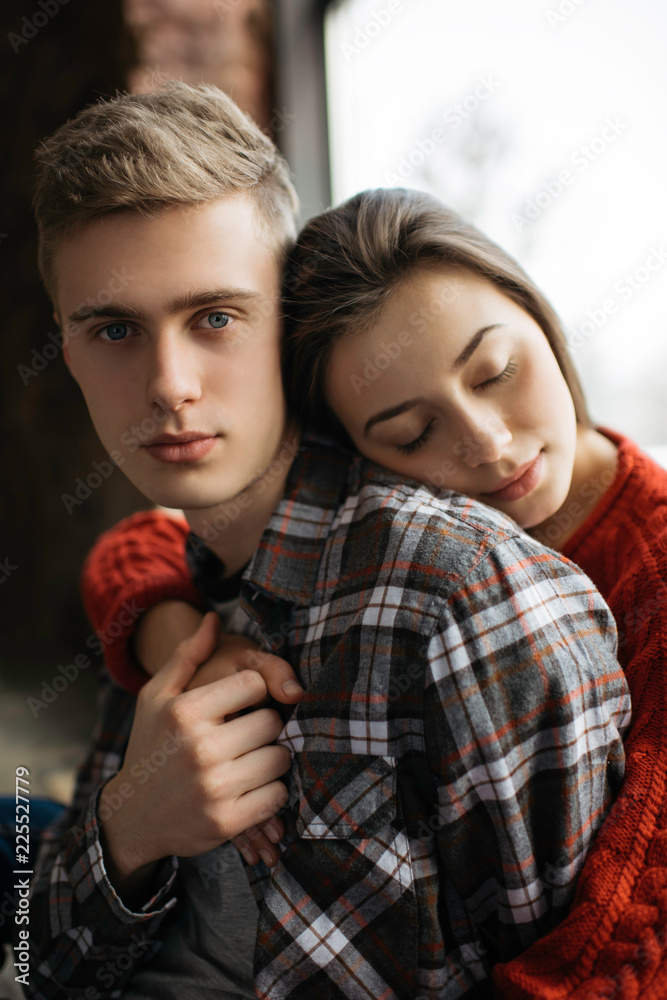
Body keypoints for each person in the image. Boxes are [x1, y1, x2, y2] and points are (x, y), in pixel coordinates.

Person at [24, 84, 630, 1000]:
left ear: (289, 325)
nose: (169, 385)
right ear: (66, 352)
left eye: (216, 318)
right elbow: (44, 968)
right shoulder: (179, 594)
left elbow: (572, 972)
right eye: (113, 330)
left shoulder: (459, 592)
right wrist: (130, 832)